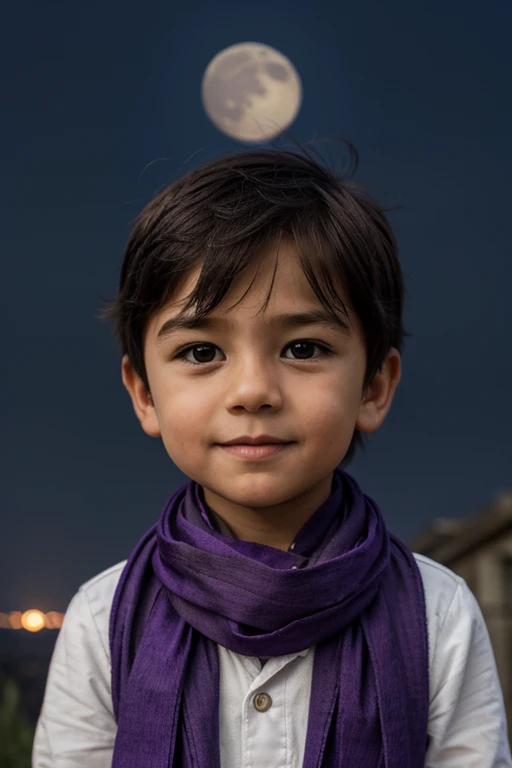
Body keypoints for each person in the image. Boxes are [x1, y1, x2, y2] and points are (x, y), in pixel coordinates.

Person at [32, 142, 512, 767]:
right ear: (144, 393)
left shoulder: (437, 615)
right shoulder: (104, 620)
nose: (253, 390)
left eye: (303, 347)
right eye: (202, 352)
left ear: (374, 387)